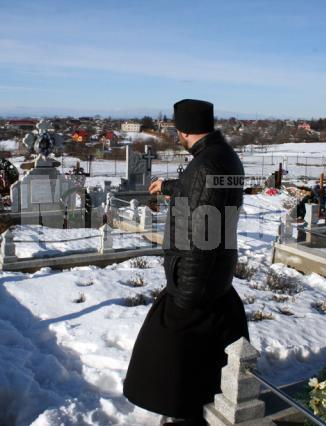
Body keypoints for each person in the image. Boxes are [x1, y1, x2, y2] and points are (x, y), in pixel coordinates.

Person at [124, 99, 249, 425]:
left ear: (184, 131)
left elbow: (199, 236)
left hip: (196, 275)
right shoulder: (225, 158)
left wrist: (185, 288)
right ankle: (204, 400)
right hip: (218, 272)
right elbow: (203, 190)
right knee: (207, 350)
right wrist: (169, 186)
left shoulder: (205, 165)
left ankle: (185, 413)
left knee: (167, 351)